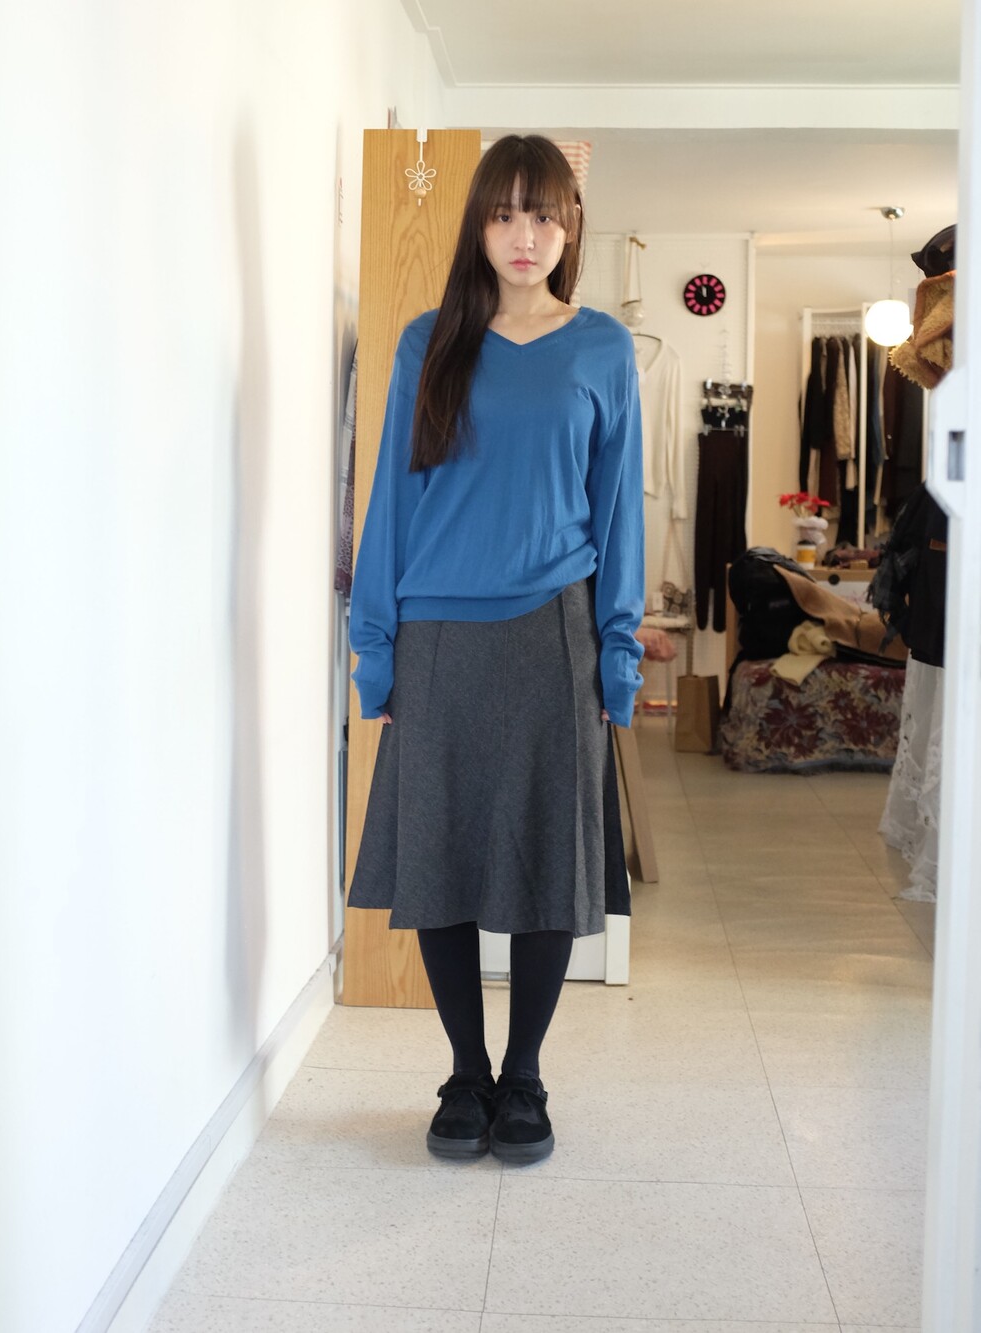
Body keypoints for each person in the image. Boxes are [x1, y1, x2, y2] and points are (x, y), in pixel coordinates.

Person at [348, 134, 656, 1165]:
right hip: (437, 632)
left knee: (546, 861)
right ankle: (464, 1071)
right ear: (478, 225)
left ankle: (523, 1075)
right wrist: (374, 647)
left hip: (554, 630)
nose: (525, 235)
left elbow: (618, 515)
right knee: (438, 854)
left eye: (544, 215)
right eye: (504, 213)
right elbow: (393, 502)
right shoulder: (428, 341)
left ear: (569, 228)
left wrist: (618, 654)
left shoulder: (603, 349)